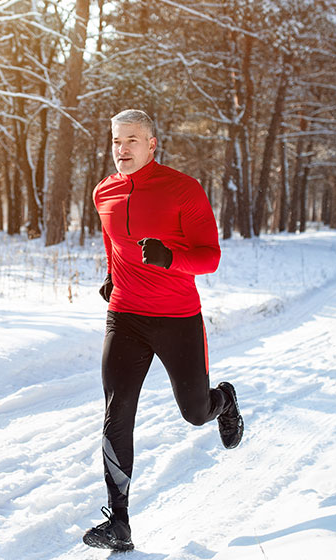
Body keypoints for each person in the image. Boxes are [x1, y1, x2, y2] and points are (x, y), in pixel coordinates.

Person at [82, 109, 244, 552]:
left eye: (132, 140)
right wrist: (114, 276)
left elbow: (209, 257)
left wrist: (170, 258)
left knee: (194, 412)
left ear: (152, 144)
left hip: (177, 319)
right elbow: (114, 244)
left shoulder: (182, 190)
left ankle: (224, 401)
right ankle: (119, 522)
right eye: (117, 141)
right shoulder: (104, 192)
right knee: (117, 413)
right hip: (126, 316)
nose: (122, 149)